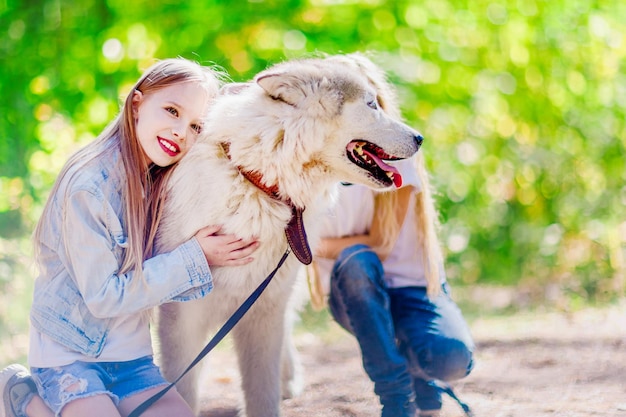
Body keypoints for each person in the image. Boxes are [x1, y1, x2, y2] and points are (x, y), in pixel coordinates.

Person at [0, 58, 259, 417]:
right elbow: (104, 297)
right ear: (137, 103)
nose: (180, 132)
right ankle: (26, 401)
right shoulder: (88, 188)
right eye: (171, 111)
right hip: (71, 357)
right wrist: (196, 256)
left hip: (130, 359)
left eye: (196, 125)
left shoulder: (163, 180)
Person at [310, 150, 475, 417]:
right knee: (356, 263)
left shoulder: (398, 150)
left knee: (452, 359)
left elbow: (381, 244)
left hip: (416, 289)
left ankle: (420, 376)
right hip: (354, 295)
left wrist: (308, 243)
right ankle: (397, 396)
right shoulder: (311, 155)